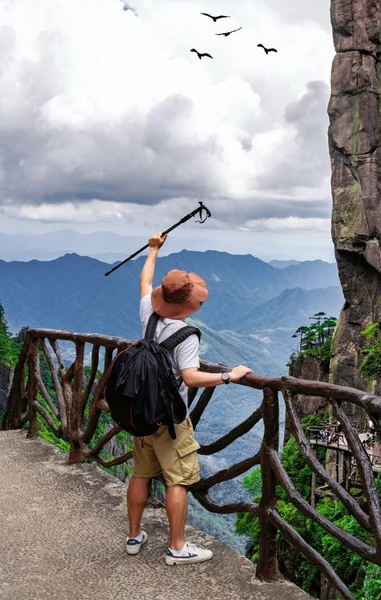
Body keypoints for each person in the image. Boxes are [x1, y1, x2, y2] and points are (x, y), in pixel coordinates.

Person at [125, 232, 252, 565]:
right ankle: (177, 548)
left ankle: (134, 536)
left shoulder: (147, 314)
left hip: (141, 413)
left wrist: (153, 251)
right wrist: (229, 375)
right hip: (169, 420)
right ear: (188, 304)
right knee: (177, 480)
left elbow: (144, 282)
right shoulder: (186, 335)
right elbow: (190, 376)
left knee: (140, 475)